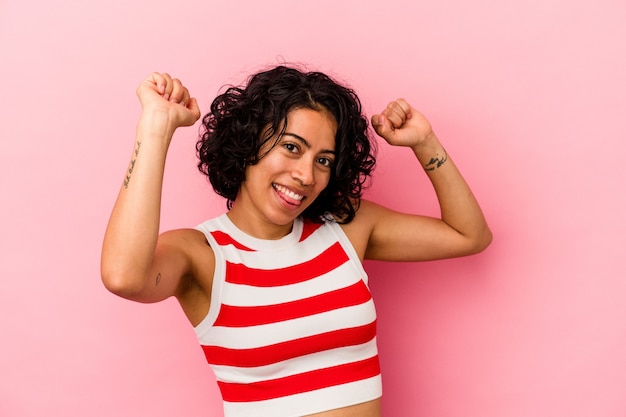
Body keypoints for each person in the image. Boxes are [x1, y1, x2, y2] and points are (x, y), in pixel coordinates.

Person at [101, 65, 492, 417]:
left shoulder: (344, 227)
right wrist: (156, 126)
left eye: (323, 160)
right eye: (292, 147)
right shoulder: (203, 254)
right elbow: (124, 277)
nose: (307, 175)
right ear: (249, 142)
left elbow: (468, 235)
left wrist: (424, 142)